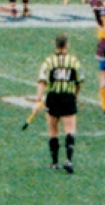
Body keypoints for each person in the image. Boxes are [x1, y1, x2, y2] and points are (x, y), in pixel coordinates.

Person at [34, 34, 82, 173]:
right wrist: (75, 95)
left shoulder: (48, 62)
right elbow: (79, 81)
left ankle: (54, 162)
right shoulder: (74, 61)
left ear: (55, 45)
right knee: (70, 128)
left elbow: (42, 81)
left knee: (53, 129)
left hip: (53, 97)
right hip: (68, 96)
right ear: (67, 45)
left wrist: (38, 100)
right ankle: (69, 159)